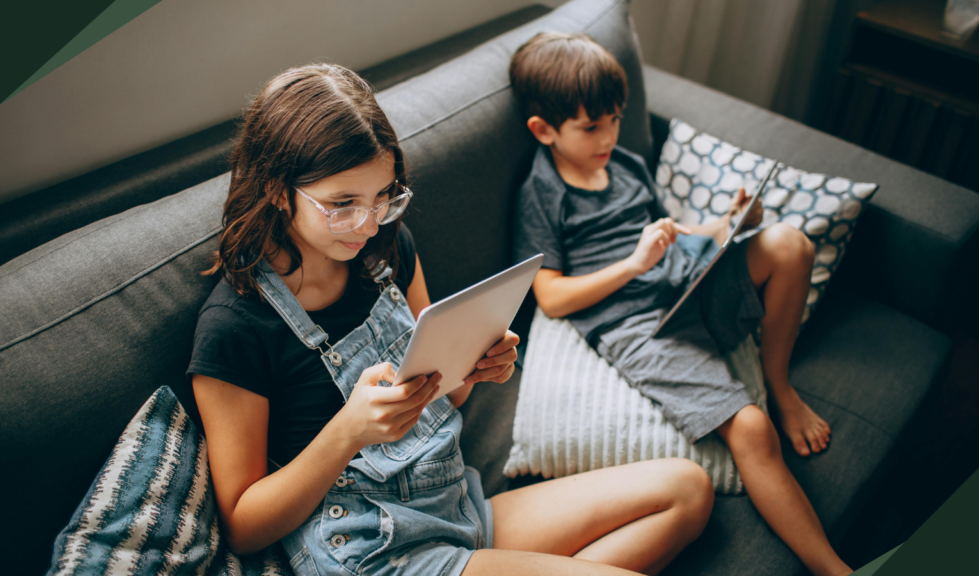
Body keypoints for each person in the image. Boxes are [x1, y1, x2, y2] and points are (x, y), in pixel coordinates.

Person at [188, 63, 713, 576]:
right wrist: (346, 433)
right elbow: (242, 526)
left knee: (688, 491)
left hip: (455, 506)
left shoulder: (386, 251)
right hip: (375, 549)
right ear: (279, 191)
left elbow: (448, 397)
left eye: (382, 198)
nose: (367, 225)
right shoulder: (235, 325)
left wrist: (475, 365)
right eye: (342, 204)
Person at [509, 33, 853, 576]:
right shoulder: (542, 191)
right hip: (639, 326)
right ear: (543, 130)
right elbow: (548, 296)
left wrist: (730, 224)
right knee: (751, 428)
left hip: (685, 283)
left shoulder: (622, 162)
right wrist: (632, 266)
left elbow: (674, 230)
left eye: (616, 119)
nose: (609, 135)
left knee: (791, 244)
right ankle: (834, 568)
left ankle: (778, 383)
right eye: (592, 126)